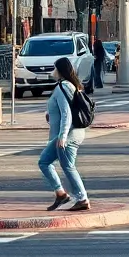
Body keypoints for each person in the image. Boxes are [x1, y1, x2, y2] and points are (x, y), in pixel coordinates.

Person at [39, 56, 90, 212]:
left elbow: (67, 113)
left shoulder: (62, 87)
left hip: (68, 136)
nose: (53, 71)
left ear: (60, 71)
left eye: (55, 68)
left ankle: (82, 198)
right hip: (68, 134)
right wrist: (50, 114)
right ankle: (61, 194)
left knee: (68, 166)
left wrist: (62, 136)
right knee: (45, 162)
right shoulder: (70, 86)